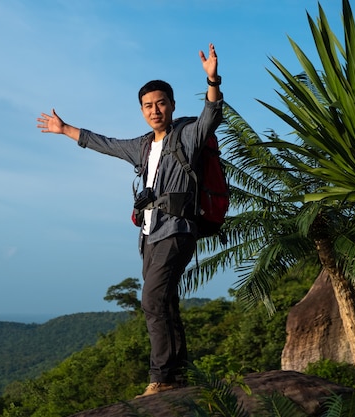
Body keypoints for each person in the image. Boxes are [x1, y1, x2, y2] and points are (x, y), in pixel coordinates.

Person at [36, 43, 223, 398]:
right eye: (148, 106)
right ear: (142, 111)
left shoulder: (186, 136)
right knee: (165, 302)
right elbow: (104, 143)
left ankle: (161, 376)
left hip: (178, 230)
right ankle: (178, 373)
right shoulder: (141, 146)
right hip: (150, 235)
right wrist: (65, 129)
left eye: (161, 103)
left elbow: (211, 115)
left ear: (172, 104)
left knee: (151, 301)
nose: (155, 111)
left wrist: (212, 78)